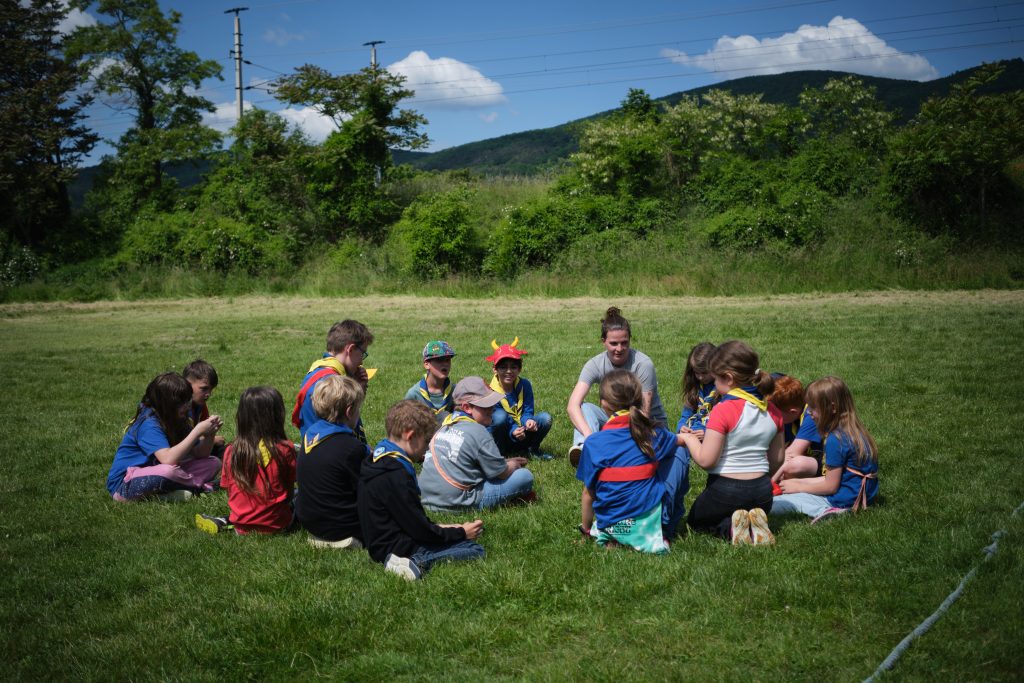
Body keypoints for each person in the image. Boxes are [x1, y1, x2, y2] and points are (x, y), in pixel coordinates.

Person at [359, 400, 485, 581]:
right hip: (397, 548)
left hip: (378, 542)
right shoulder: (397, 474)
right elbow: (420, 530)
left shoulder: (377, 457)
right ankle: (414, 562)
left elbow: (409, 519)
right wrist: (461, 533)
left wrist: (448, 527)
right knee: (474, 549)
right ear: (410, 436)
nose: (426, 448)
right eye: (426, 441)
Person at [680, 341, 784, 545]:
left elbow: (706, 460)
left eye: (716, 378)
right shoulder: (773, 410)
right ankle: (754, 524)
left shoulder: (723, 410)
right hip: (763, 493)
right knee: (742, 506)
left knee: (696, 522)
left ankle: (730, 528)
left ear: (728, 378)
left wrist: (689, 439)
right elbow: (777, 460)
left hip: (726, 491)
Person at [577, 370, 689, 553]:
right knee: (680, 451)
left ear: (603, 403)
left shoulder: (593, 442)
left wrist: (586, 530)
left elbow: (588, 493)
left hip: (610, 523)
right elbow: (681, 441)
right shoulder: (652, 433)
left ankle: (615, 536)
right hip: (647, 524)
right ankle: (665, 529)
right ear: (639, 399)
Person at [567, 307, 668, 467]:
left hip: (648, 426)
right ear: (603, 341)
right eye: (613, 343)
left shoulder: (643, 364)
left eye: (624, 343)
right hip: (615, 422)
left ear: (630, 340)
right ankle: (584, 447)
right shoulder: (595, 364)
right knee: (584, 407)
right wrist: (589, 437)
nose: (619, 349)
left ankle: (612, 451)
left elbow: (644, 413)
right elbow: (573, 405)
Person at [771, 376, 879, 523]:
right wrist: (798, 483)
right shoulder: (853, 431)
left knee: (775, 504)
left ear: (832, 408)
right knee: (790, 493)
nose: (809, 412)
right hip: (861, 494)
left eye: (813, 408)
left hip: (843, 500)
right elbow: (832, 479)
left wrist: (797, 487)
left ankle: (825, 510)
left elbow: (830, 486)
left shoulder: (836, 439)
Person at [419, 377, 535, 512]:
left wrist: (503, 462)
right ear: (467, 407)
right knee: (524, 476)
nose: (492, 409)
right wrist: (512, 465)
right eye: (486, 405)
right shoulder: (479, 431)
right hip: (456, 502)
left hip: (427, 499)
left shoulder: (445, 425)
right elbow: (502, 474)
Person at [195, 387, 297, 535]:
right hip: (277, 525)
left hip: (241, 526)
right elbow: (288, 492)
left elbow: (229, 490)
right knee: (300, 495)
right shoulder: (285, 449)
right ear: (278, 415)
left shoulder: (231, 451)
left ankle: (224, 521)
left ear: (242, 417)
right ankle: (226, 521)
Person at [107, 372, 223, 502]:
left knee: (213, 463)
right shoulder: (149, 423)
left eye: (188, 400)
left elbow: (200, 454)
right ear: (166, 404)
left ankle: (167, 494)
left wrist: (210, 434)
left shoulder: (178, 418)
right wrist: (196, 432)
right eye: (181, 403)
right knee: (168, 472)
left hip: (160, 471)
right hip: (125, 484)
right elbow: (168, 459)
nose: (187, 406)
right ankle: (198, 488)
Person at [294, 374, 369, 549]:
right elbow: (366, 490)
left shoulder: (310, 435)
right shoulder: (351, 448)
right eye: (358, 409)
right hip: (341, 526)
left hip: (309, 521)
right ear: (349, 412)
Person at [292, 319, 375, 444]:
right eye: (362, 353)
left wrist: (357, 390)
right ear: (351, 349)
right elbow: (341, 437)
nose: (361, 362)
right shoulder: (333, 386)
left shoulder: (318, 373)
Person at [485, 337, 553, 460]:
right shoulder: (490, 391)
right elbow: (498, 420)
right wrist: (513, 430)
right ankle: (500, 454)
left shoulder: (524, 385)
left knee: (545, 418)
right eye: (503, 367)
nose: (509, 371)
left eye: (513, 367)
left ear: (520, 369)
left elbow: (527, 410)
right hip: (504, 435)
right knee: (500, 417)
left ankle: (532, 449)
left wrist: (528, 421)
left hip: (521, 431)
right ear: (495, 369)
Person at [404, 340, 456, 424]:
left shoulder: (455, 392)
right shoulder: (414, 395)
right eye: (439, 360)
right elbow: (405, 423)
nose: (445, 364)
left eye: (447, 360)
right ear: (426, 364)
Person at [182, 359, 226, 457]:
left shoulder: (200, 405)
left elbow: (204, 431)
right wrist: (213, 440)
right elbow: (181, 439)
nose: (208, 394)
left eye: (211, 389)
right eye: (204, 388)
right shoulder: (179, 408)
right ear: (187, 384)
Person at [676, 342, 718, 437]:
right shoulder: (695, 386)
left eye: (705, 373)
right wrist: (682, 427)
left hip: (712, 436)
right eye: (697, 373)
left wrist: (707, 433)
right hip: (692, 433)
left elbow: (725, 422)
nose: (700, 377)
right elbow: (686, 415)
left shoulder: (722, 389)